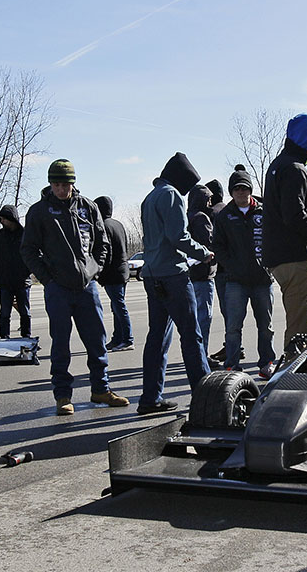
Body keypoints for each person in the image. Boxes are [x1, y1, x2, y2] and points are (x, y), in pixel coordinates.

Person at [20, 159, 128, 417]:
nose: (61, 189)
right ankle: (62, 395)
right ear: (50, 184)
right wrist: (47, 278)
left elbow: (102, 243)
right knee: (61, 344)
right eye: (56, 184)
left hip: (87, 287)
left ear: (72, 183)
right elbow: (28, 250)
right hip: (58, 288)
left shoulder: (88, 208)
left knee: (97, 341)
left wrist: (95, 269)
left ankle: (101, 389)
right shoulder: (39, 212)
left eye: (65, 184)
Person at [138, 152, 215, 413]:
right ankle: (205, 399)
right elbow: (178, 237)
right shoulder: (171, 195)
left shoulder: (150, 197)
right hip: (173, 276)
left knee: (157, 338)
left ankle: (150, 398)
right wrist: (204, 253)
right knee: (191, 337)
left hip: (152, 275)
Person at [261, 114, 307, 359]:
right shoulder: (295, 170)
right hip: (294, 258)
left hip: (279, 256)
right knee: (299, 330)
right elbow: (295, 217)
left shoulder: (277, 166)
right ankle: (290, 382)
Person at [211, 165, 275, 379]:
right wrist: (232, 266)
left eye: (244, 188)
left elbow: (277, 240)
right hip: (235, 281)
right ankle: (231, 365)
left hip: (262, 280)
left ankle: (267, 362)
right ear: (231, 192)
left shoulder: (265, 212)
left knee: (265, 326)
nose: (241, 192)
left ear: (250, 190)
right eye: (237, 189)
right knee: (232, 327)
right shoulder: (223, 216)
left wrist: (270, 265)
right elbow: (218, 247)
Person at [93, 195, 135, 351]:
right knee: (116, 306)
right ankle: (118, 338)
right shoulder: (117, 224)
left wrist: (99, 274)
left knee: (119, 307)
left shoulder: (103, 226)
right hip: (123, 271)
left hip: (113, 273)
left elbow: (106, 253)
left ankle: (127, 339)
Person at [187, 182, 219, 368]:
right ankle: (201, 356)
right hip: (203, 275)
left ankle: (196, 355)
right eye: (207, 199)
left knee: (193, 320)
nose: (210, 202)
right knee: (203, 319)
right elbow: (209, 244)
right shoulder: (201, 219)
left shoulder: (187, 217)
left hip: (190, 276)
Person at [0, 205, 33, 338]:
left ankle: (26, 337)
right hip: (5, 281)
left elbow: (34, 254)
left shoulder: (26, 234)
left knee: (25, 312)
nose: (2, 222)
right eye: (1, 219)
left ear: (11, 218)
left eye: (4, 219)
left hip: (22, 281)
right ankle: (4, 337)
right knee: (5, 313)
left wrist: (27, 271)